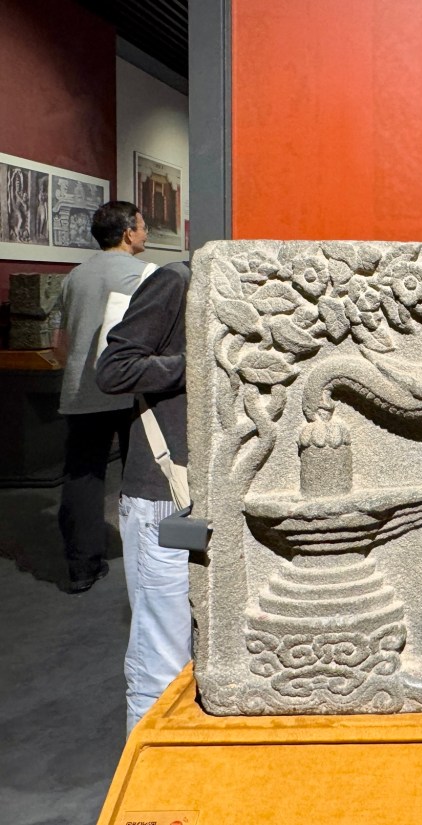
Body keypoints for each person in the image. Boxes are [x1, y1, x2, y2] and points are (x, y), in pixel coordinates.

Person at [96, 261, 192, 732]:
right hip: (164, 497)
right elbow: (113, 370)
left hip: (216, 499)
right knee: (161, 664)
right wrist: (199, 362)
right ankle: (152, 768)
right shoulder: (178, 281)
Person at [56, 201, 150, 593]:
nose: (146, 233)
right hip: (130, 388)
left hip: (81, 389)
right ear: (128, 233)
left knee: (83, 476)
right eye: (142, 226)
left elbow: (61, 343)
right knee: (141, 475)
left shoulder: (75, 277)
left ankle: (82, 567)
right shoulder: (146, 274)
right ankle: (146, 557)